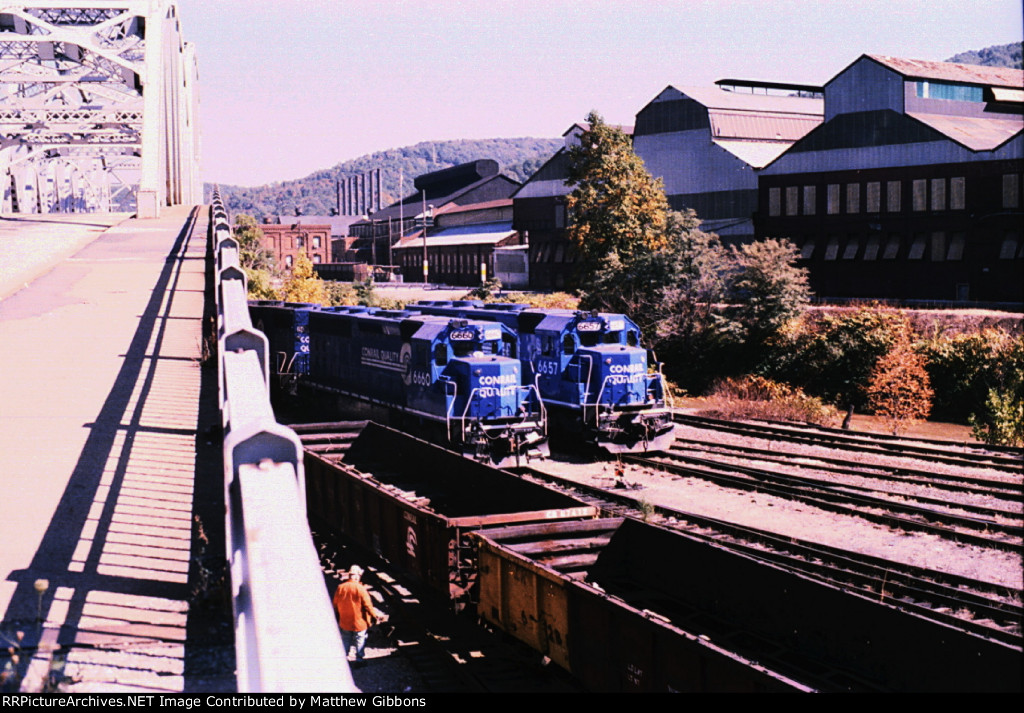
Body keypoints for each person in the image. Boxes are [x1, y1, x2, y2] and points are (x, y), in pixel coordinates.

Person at [332, 565, 384, 666]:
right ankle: (359, 660)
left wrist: (338, 615)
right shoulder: (361, 589)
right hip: (359, 622)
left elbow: (335, 604)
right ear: (357, 576)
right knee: (360, 640)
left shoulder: (341, 587)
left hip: (345, 621)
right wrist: (374, 616)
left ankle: (343, 660)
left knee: (346, 639)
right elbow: (368, 605)